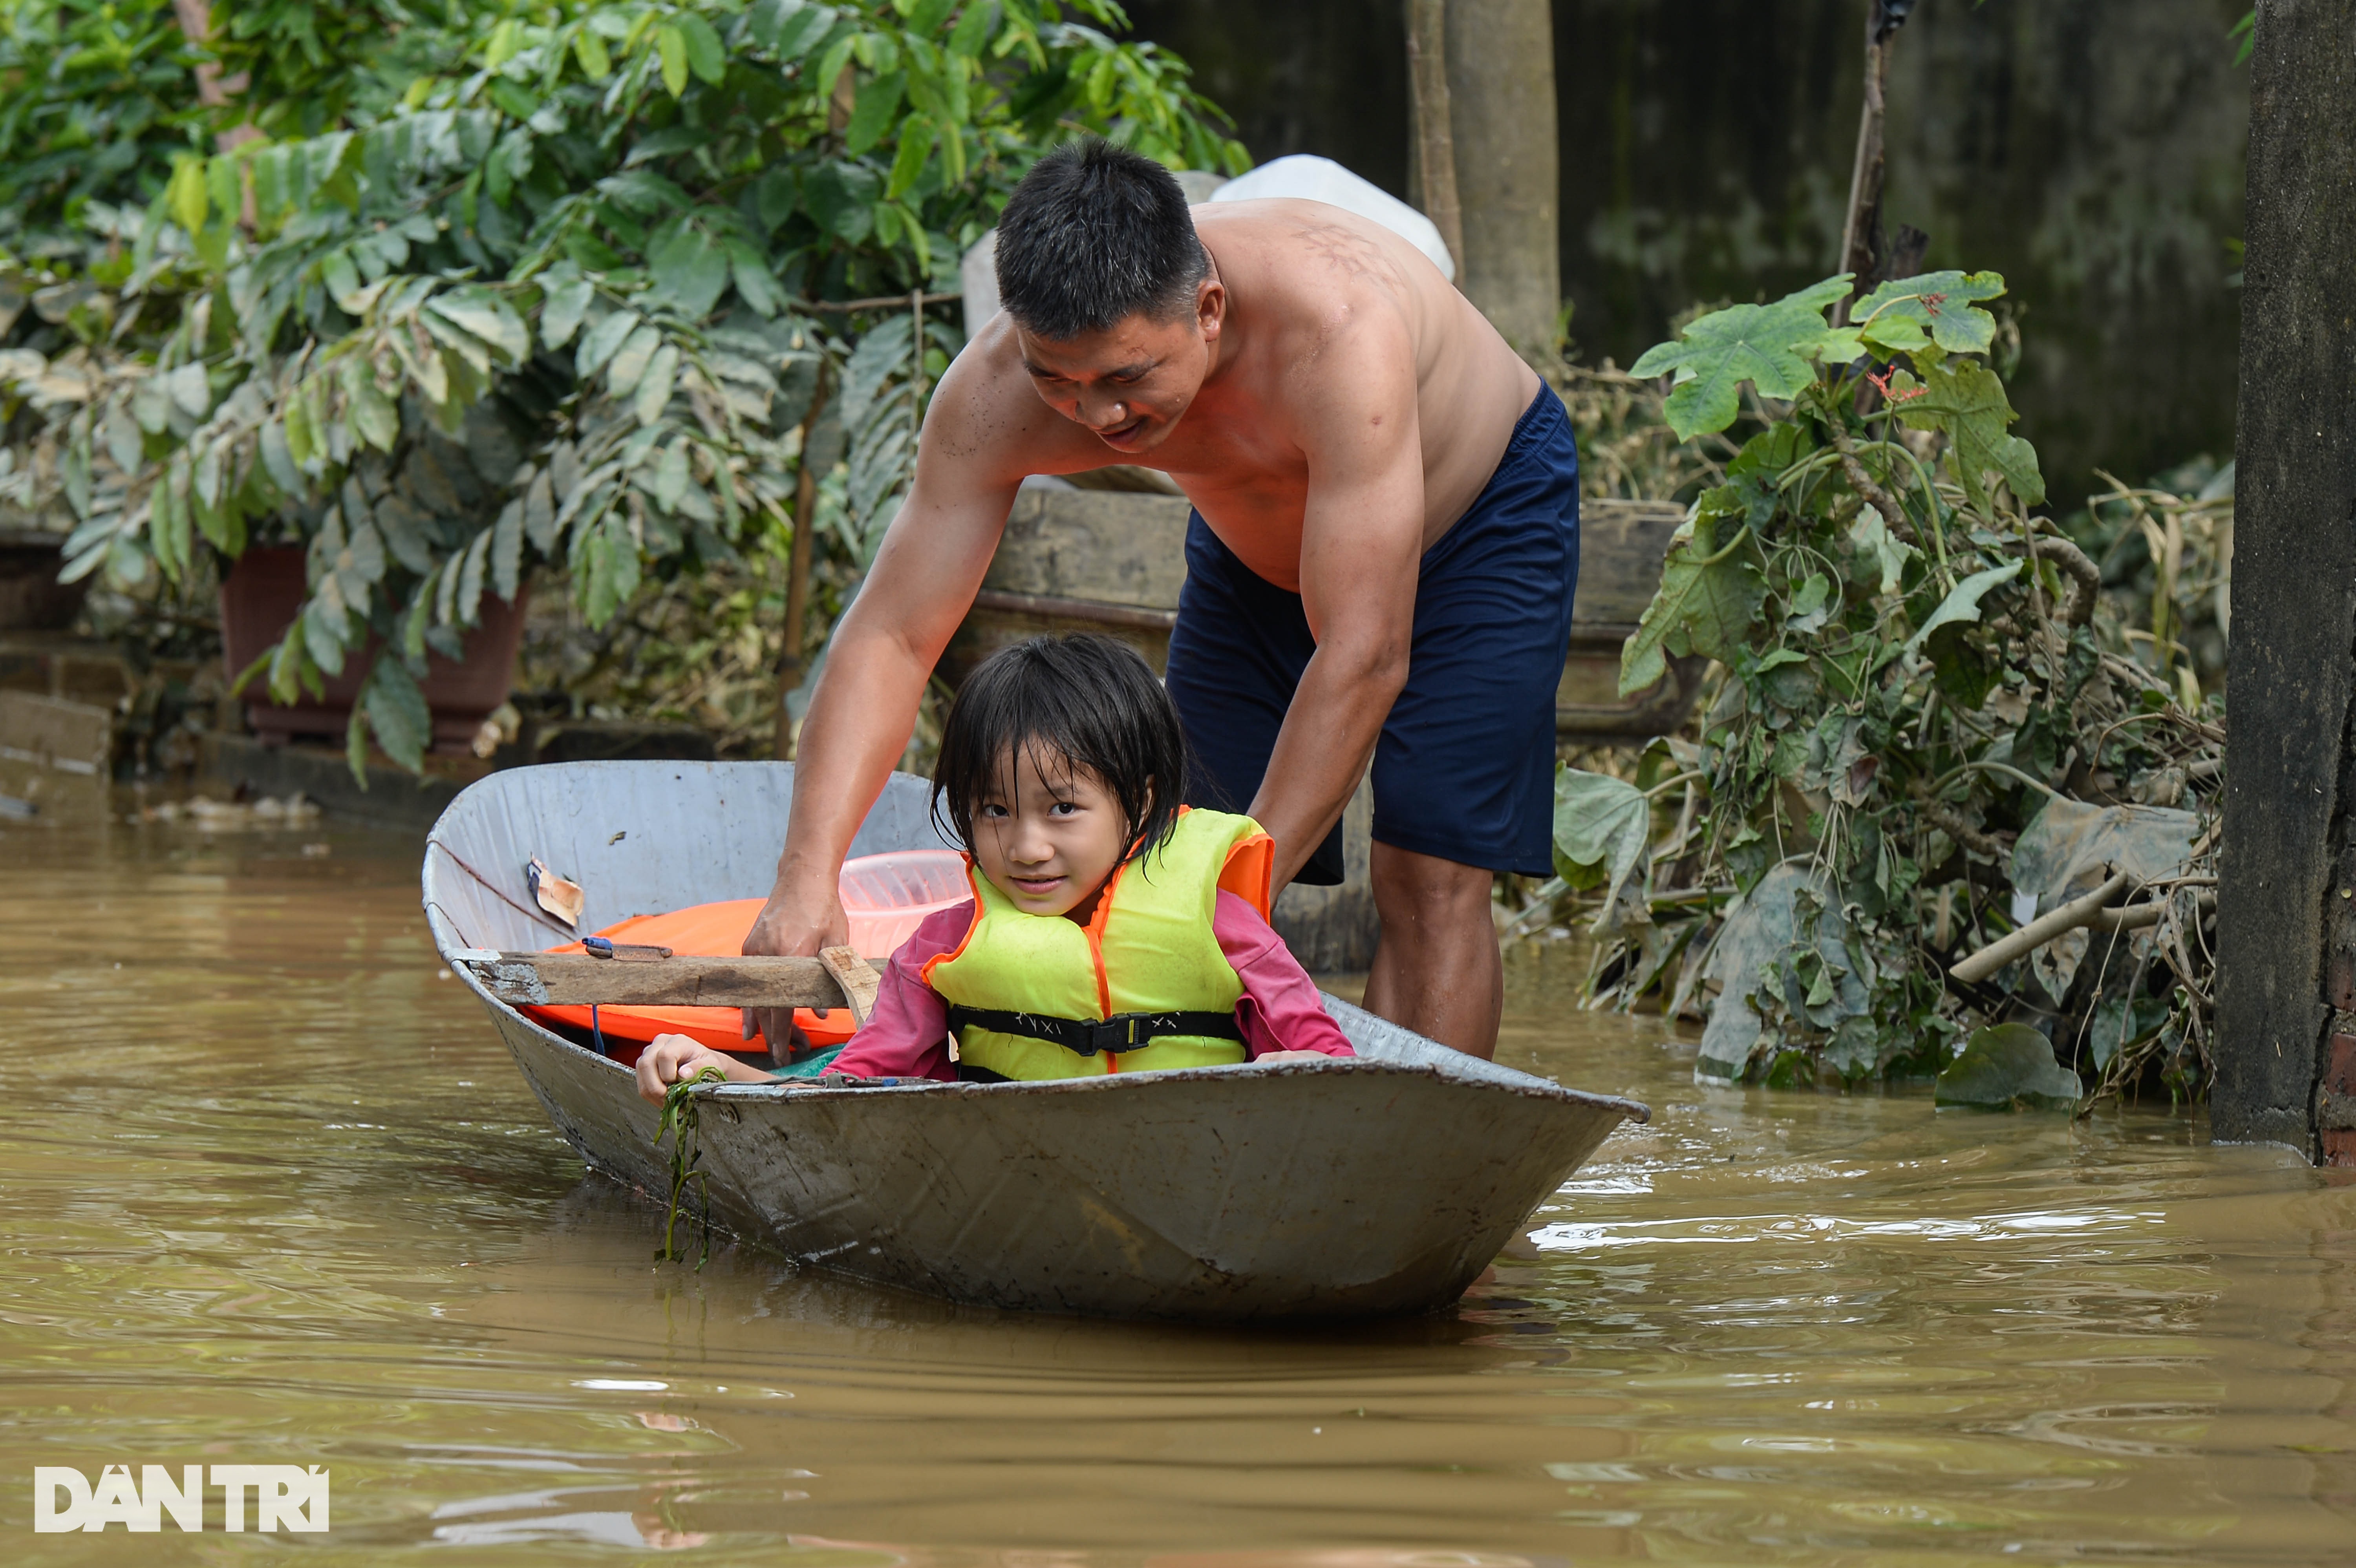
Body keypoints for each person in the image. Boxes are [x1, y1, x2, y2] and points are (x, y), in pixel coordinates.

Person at [743, 139, 1578, 1061]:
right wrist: (805, 879)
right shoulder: (994, 392)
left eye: (1126, 379)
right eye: (1057, 378)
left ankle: (1420, 1171)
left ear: (1209, 310)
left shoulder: (1338, 335)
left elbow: (1364, 652)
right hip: (1247, 544)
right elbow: (896, 633)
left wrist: (1216, 908)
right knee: (1143, 847)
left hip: (1479, 521)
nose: (1096, 418)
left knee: (1426, 871)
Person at [638, 634, 1351, 1101]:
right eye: (995, 810)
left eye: (1063, 808)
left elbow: (1330, 1059)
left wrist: (1296, 1076)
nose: (1027, 847)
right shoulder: (940, 948)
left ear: (1138, 803)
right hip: (1017, 1179)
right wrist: (727, 1074)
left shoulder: (1222, 926)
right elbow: (858, 1088)